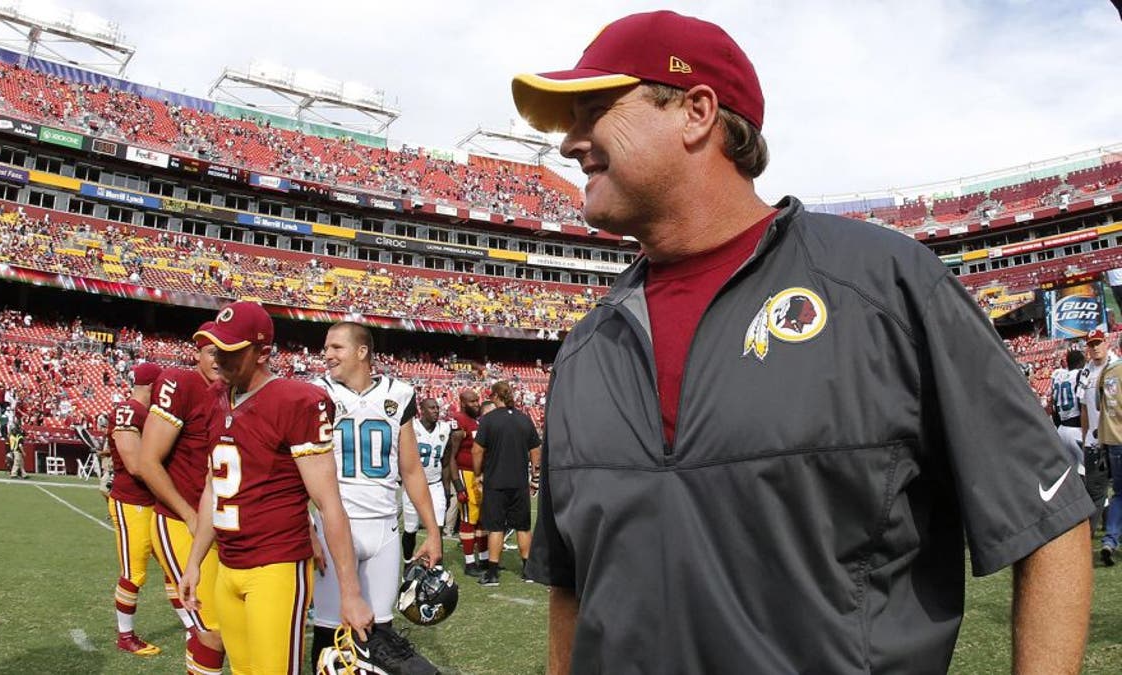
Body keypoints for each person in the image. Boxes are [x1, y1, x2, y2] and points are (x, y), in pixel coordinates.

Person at [511, 10, 1093, 673]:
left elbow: (1049, 522)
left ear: (697, 112)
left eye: (593, 109)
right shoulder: (587, 350)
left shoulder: (883, 286)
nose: (570, 142)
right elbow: (571, 588)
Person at [179, 302, 373, 675]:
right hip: (227, 566)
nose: (219, 358)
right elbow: (212, 487)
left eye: (232, 350)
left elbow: (329, 503)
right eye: (216, 347)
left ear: (262, 352)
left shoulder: (295, 401)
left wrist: (349, 592)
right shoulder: (216, 398)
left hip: (276, 566)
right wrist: (194, 563)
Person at [310, 321, 442, 675]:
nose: (328, 355)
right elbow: (295, 468)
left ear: (362, 351)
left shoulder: (398, 394)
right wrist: (306, 529)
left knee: (379, 633)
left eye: (336, 347)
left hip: (385, 527)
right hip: (334, 526)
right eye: (326, 348)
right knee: (328, 634)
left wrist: (433, 531)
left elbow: (411, 470)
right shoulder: (316, 393)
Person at [135, 321, 226, 675]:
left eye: (225, 351)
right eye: (210, 351)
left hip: (225, 523)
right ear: (197, 353)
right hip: (181, 520)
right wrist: (189, 514)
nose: (218, 359)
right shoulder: (182, 383)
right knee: (212, 629)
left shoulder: (234, 392)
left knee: (225, 625)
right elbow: (147, 461)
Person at [104, 362, 164, 656]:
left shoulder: (143, 413)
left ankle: (195, 627)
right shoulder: (130, 411)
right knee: (134, 572)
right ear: (153, 387)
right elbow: (136, 464)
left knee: (173, 567)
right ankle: (125, 635)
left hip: (151, 501)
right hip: (133, 502)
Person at [471, 381, 541, 587]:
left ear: (494, 396)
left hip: (496, 481)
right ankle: (528, 570)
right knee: (523, 527)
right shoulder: (524, 419)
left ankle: (492, 573)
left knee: (495, 528)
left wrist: (477, 473)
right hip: (519, 482)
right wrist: (535, 477)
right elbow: (535, 450)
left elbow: (477, 451)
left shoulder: (488, 420)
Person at [401, 398, 451, 562]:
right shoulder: (411, 428)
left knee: (437, 528)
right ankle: (408, 562)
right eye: (431, 408)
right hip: (413, 486)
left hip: (435, 485)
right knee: (410, 528)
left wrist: (447, 488)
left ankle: (436, 565)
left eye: (437, 408)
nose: (436, 410)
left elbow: (446, 462)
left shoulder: (445, 429)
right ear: (421, 410)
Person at [1079, 328, 1115, 535]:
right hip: (1094, 442)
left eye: (1098, 343)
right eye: (1091, 344)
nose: (1095, 348)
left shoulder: (1116, 365)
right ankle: (1088, 535)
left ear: (1106, 342)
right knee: (1095, 491)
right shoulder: (1087, 371)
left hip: (1116, 438)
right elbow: (1084, 407)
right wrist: (1084, 438)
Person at [449, 390, 489, 577]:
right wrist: (458, 485)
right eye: (472, 401)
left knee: (482, 519)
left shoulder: (478, 421)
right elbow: (451, 456)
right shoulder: (459, 421)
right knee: (468, 519)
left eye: (477, 400)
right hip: (466, 473)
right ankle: (469, 562)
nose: (476, 403)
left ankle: (484, 558)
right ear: (463, 403)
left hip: (480, 475)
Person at [1095, 333, 1122, 565]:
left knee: (1119, 495)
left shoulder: (1108, 371)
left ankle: (1110, 541)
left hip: (1113, 443)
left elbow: (1098, 404)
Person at [1050, 349, 1086, 475]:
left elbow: (1053, 405)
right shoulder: (1080, 374)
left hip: (1062, 430)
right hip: (1076, 429)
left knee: (1071, 475)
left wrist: (1059, 426)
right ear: (1081, 362)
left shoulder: (1058, 377)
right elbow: (1083, 403)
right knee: (1091, 472)